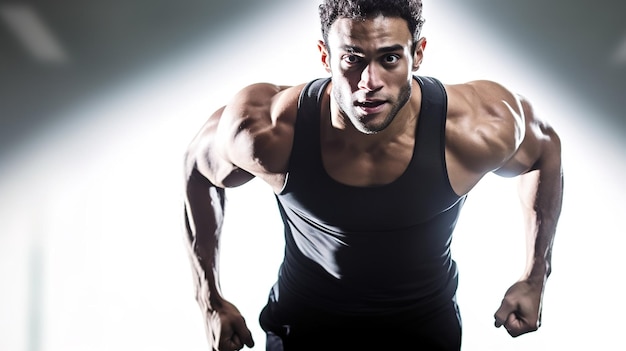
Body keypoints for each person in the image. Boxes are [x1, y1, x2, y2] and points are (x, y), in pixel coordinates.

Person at [183, 0, 563, 350]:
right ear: (324, 56)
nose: (370, 81)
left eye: (389, 58)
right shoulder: (269, 131)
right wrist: (209, 299)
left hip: (425, 330)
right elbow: (199, 169)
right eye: (352, 58)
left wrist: (535, 276)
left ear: (418, 54)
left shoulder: (476, 127)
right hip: (301, 329)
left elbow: (544, 152)